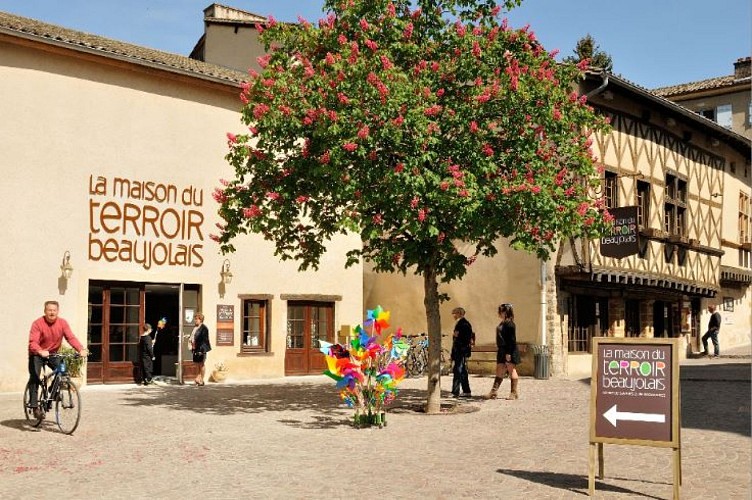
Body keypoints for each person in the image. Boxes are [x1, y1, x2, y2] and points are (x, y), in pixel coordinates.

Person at [27, 301, 88, 418]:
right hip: (37, 353)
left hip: (53, 353)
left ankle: (52, 391)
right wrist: (40, 351)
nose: (52, 312)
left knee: (63, 370)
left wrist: (80, 349)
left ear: (57, 311)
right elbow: (33, 342)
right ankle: (35, 407)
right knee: (35, 376)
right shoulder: (37, 323)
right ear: (45, 311)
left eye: (54, 310)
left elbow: (70, 337)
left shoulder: (62, 323)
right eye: (49, 310)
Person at [485, 303, 520, 400]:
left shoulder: (510, 324)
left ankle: (514, 393)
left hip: (509, 349)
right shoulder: (502, 323)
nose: (498, 313)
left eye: (500, 311)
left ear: (505, 312)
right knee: (499, 370)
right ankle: (493, 391)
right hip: (502, 349)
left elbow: (511, 340)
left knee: (511, 369)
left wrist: (508, 353)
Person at [450, 307, 473, 397]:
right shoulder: (463, 323)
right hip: (460, 350)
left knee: (458, 371)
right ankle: (466, 391)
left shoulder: (462, 324)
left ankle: (455, 391)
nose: (453, 316)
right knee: (462, 371)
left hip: (460, 351)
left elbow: (460, 339)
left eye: (454, 313)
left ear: (459, 313)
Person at [190, 313, 211, 386]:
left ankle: (201, 380)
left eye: (196, 319)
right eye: (195, 319)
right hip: (195, 348)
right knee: (196, 364)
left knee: (201, 364)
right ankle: (198, 378)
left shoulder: (204, 328)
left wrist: (201, 350)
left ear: (200, 319)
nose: (195, 320)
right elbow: (194, 336)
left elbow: (205, 340)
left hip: (201, 349)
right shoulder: (195, 327)